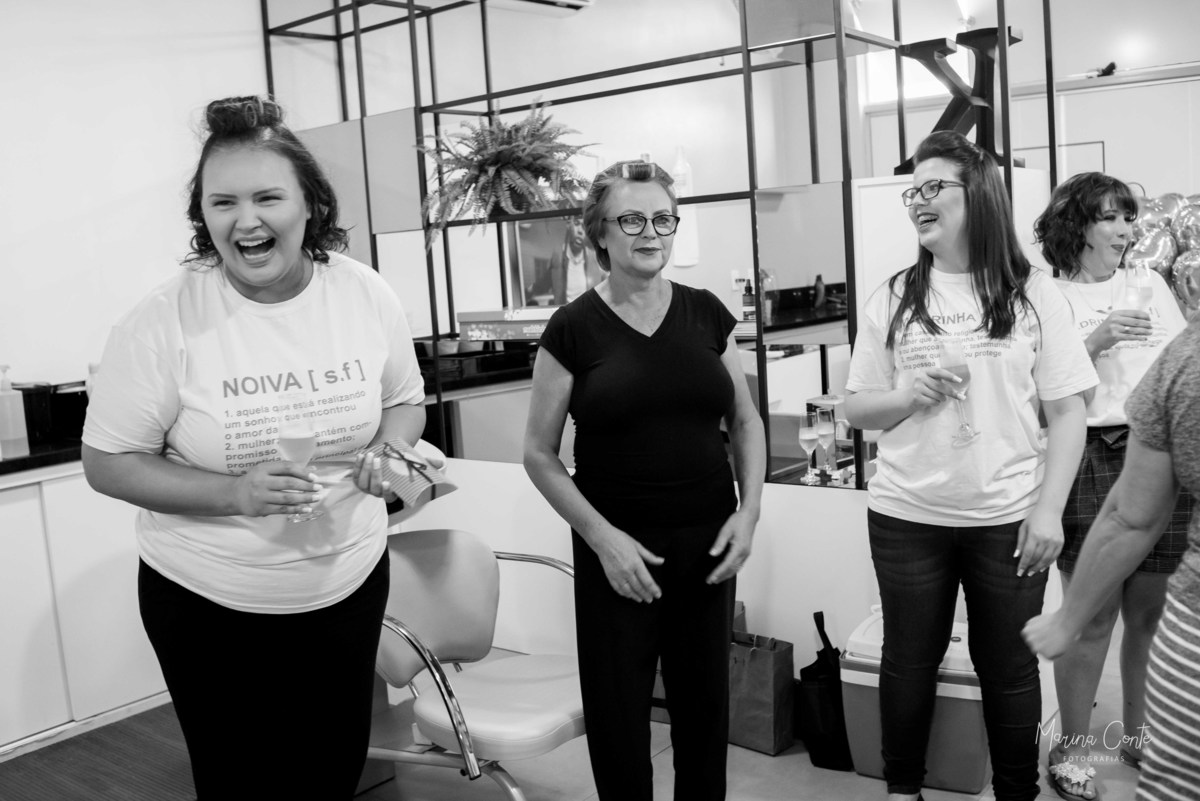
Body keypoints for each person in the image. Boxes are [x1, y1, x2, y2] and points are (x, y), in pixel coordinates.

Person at [81, 96, 426, 800]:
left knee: (333, 772)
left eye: (268, 197)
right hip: (209, 599)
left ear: (311, 204)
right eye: (223, 202)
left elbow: (403, 400)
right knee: (240, 782)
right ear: (202, 216)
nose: (246, 220)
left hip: (348, 583)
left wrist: (389, 455)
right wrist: (234, 492)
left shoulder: (362, 293)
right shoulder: (162, 320)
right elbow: (107, 463)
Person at [843, 131, 1097, 801]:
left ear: (978, 194)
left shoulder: (1032, 294)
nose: (918, 201)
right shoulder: (894, 296)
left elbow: (1068, 411)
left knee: (1009, 669)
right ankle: (903, 790)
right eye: (912, 191)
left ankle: (1017, 792)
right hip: (906, 515)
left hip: (1007, 517)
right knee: (908, 661)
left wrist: (1048, 510)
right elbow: (856, 408)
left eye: (933, 186)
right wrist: (906, 396)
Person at [523, 159, 765, 801]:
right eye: (631, 219)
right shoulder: (573, 328)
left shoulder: (706, 313)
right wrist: (603, 540)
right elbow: (539, 454)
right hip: (616, 554)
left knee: (704, 716)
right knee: (620, 723)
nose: (650, 232)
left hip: (707, 545)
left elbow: (745, 421)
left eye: (663, 218)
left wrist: (749, 512)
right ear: (599, 233)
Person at [1031, 172, 1191, 801]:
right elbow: (1039, 400)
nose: (1126, 230)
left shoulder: (1150, 284)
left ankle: (1141, 735)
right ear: (1076, 225)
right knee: (1092, 614)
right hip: (1089, 452)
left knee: (1149, 613)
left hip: (1157, 452)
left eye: (1128, 217)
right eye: (1110, 217)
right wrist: (1094, 343)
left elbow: (1178, 364)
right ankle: (1072, 749)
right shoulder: (1046, 296)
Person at [549, 215, 603, 304]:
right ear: (568, 225)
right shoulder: (558, 256)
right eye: (577, 224)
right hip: (566, 311)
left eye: (584, 227)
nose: (580, 231)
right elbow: (545, 281)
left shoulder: (593, 257)